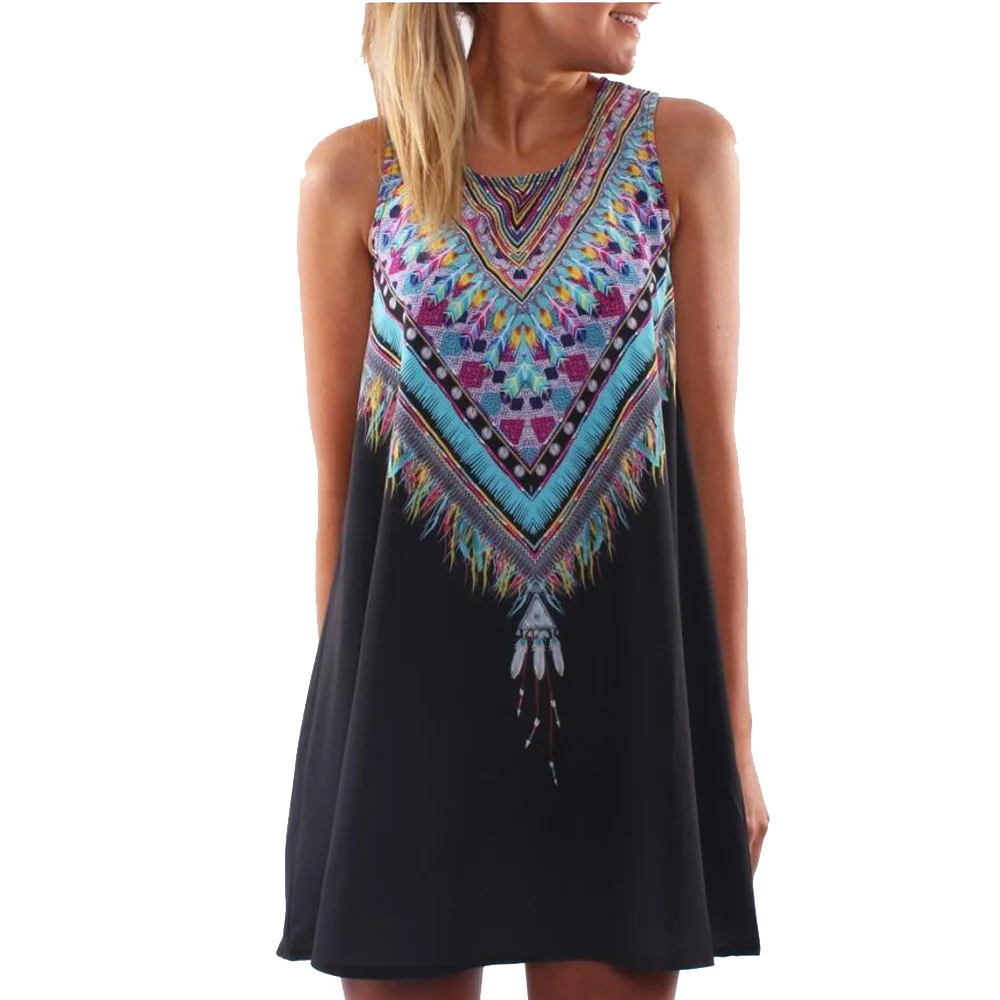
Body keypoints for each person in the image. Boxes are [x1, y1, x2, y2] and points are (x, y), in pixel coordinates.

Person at [276, 3, 768, 998]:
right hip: (405, 726)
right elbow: (340, 490)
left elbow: (711, 462)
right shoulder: (355, 175)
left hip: (624, 722)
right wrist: (352, 753)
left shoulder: (684, 151)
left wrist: (733, 742)